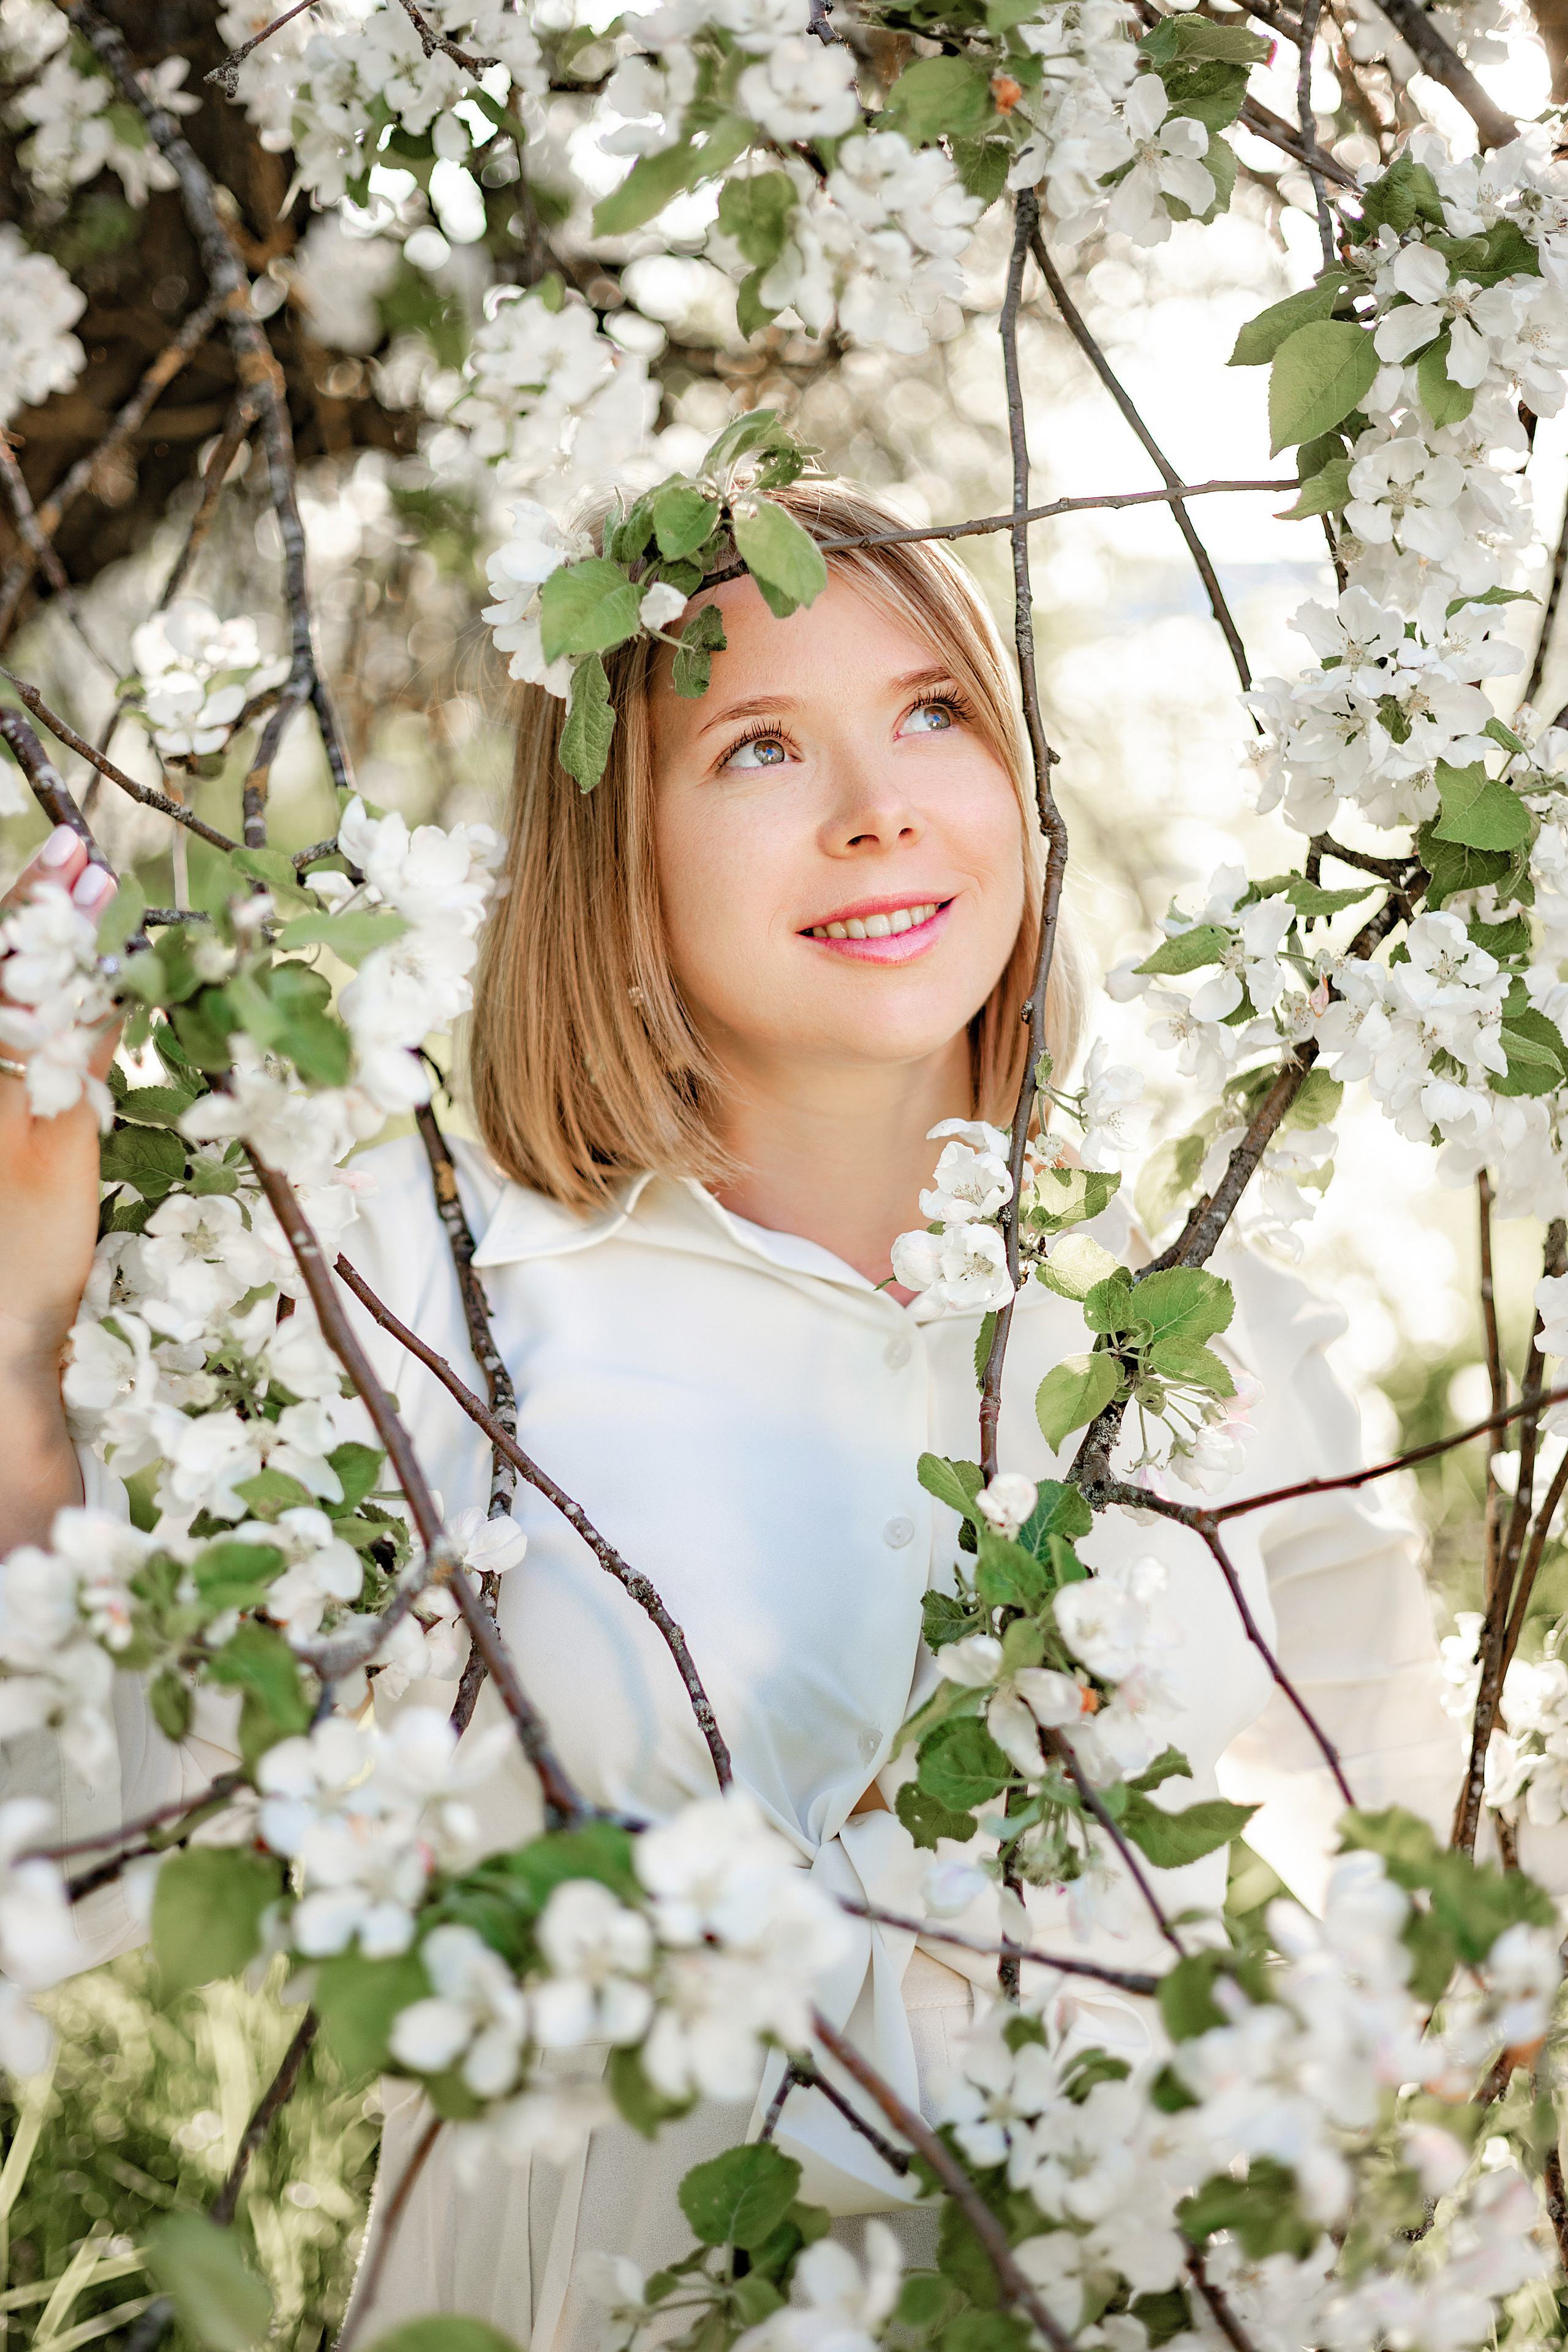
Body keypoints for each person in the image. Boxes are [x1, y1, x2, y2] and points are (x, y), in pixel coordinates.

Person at [0, 481, 1460, 2347]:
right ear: (617, 858)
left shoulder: (1199, 1331)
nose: (881, 809)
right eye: (762, 746)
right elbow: (64, 1836)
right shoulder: (435, 1291)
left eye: (938, 712)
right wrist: (25, 1337)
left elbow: (1407, 1899)